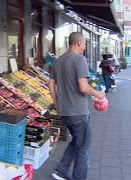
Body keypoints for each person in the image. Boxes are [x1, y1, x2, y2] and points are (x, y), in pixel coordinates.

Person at [49, 32, 105, 180]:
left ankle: (61, 170)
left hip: (65, 113)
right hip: (79, 113)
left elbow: (51, 85)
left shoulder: (58, 60)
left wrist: (57, 105)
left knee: (76, 141)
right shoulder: (80, 59)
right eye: (85, 43)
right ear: (79, 43)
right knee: (83, 149)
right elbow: (83, 87)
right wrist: (98, 94)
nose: (85, 46)